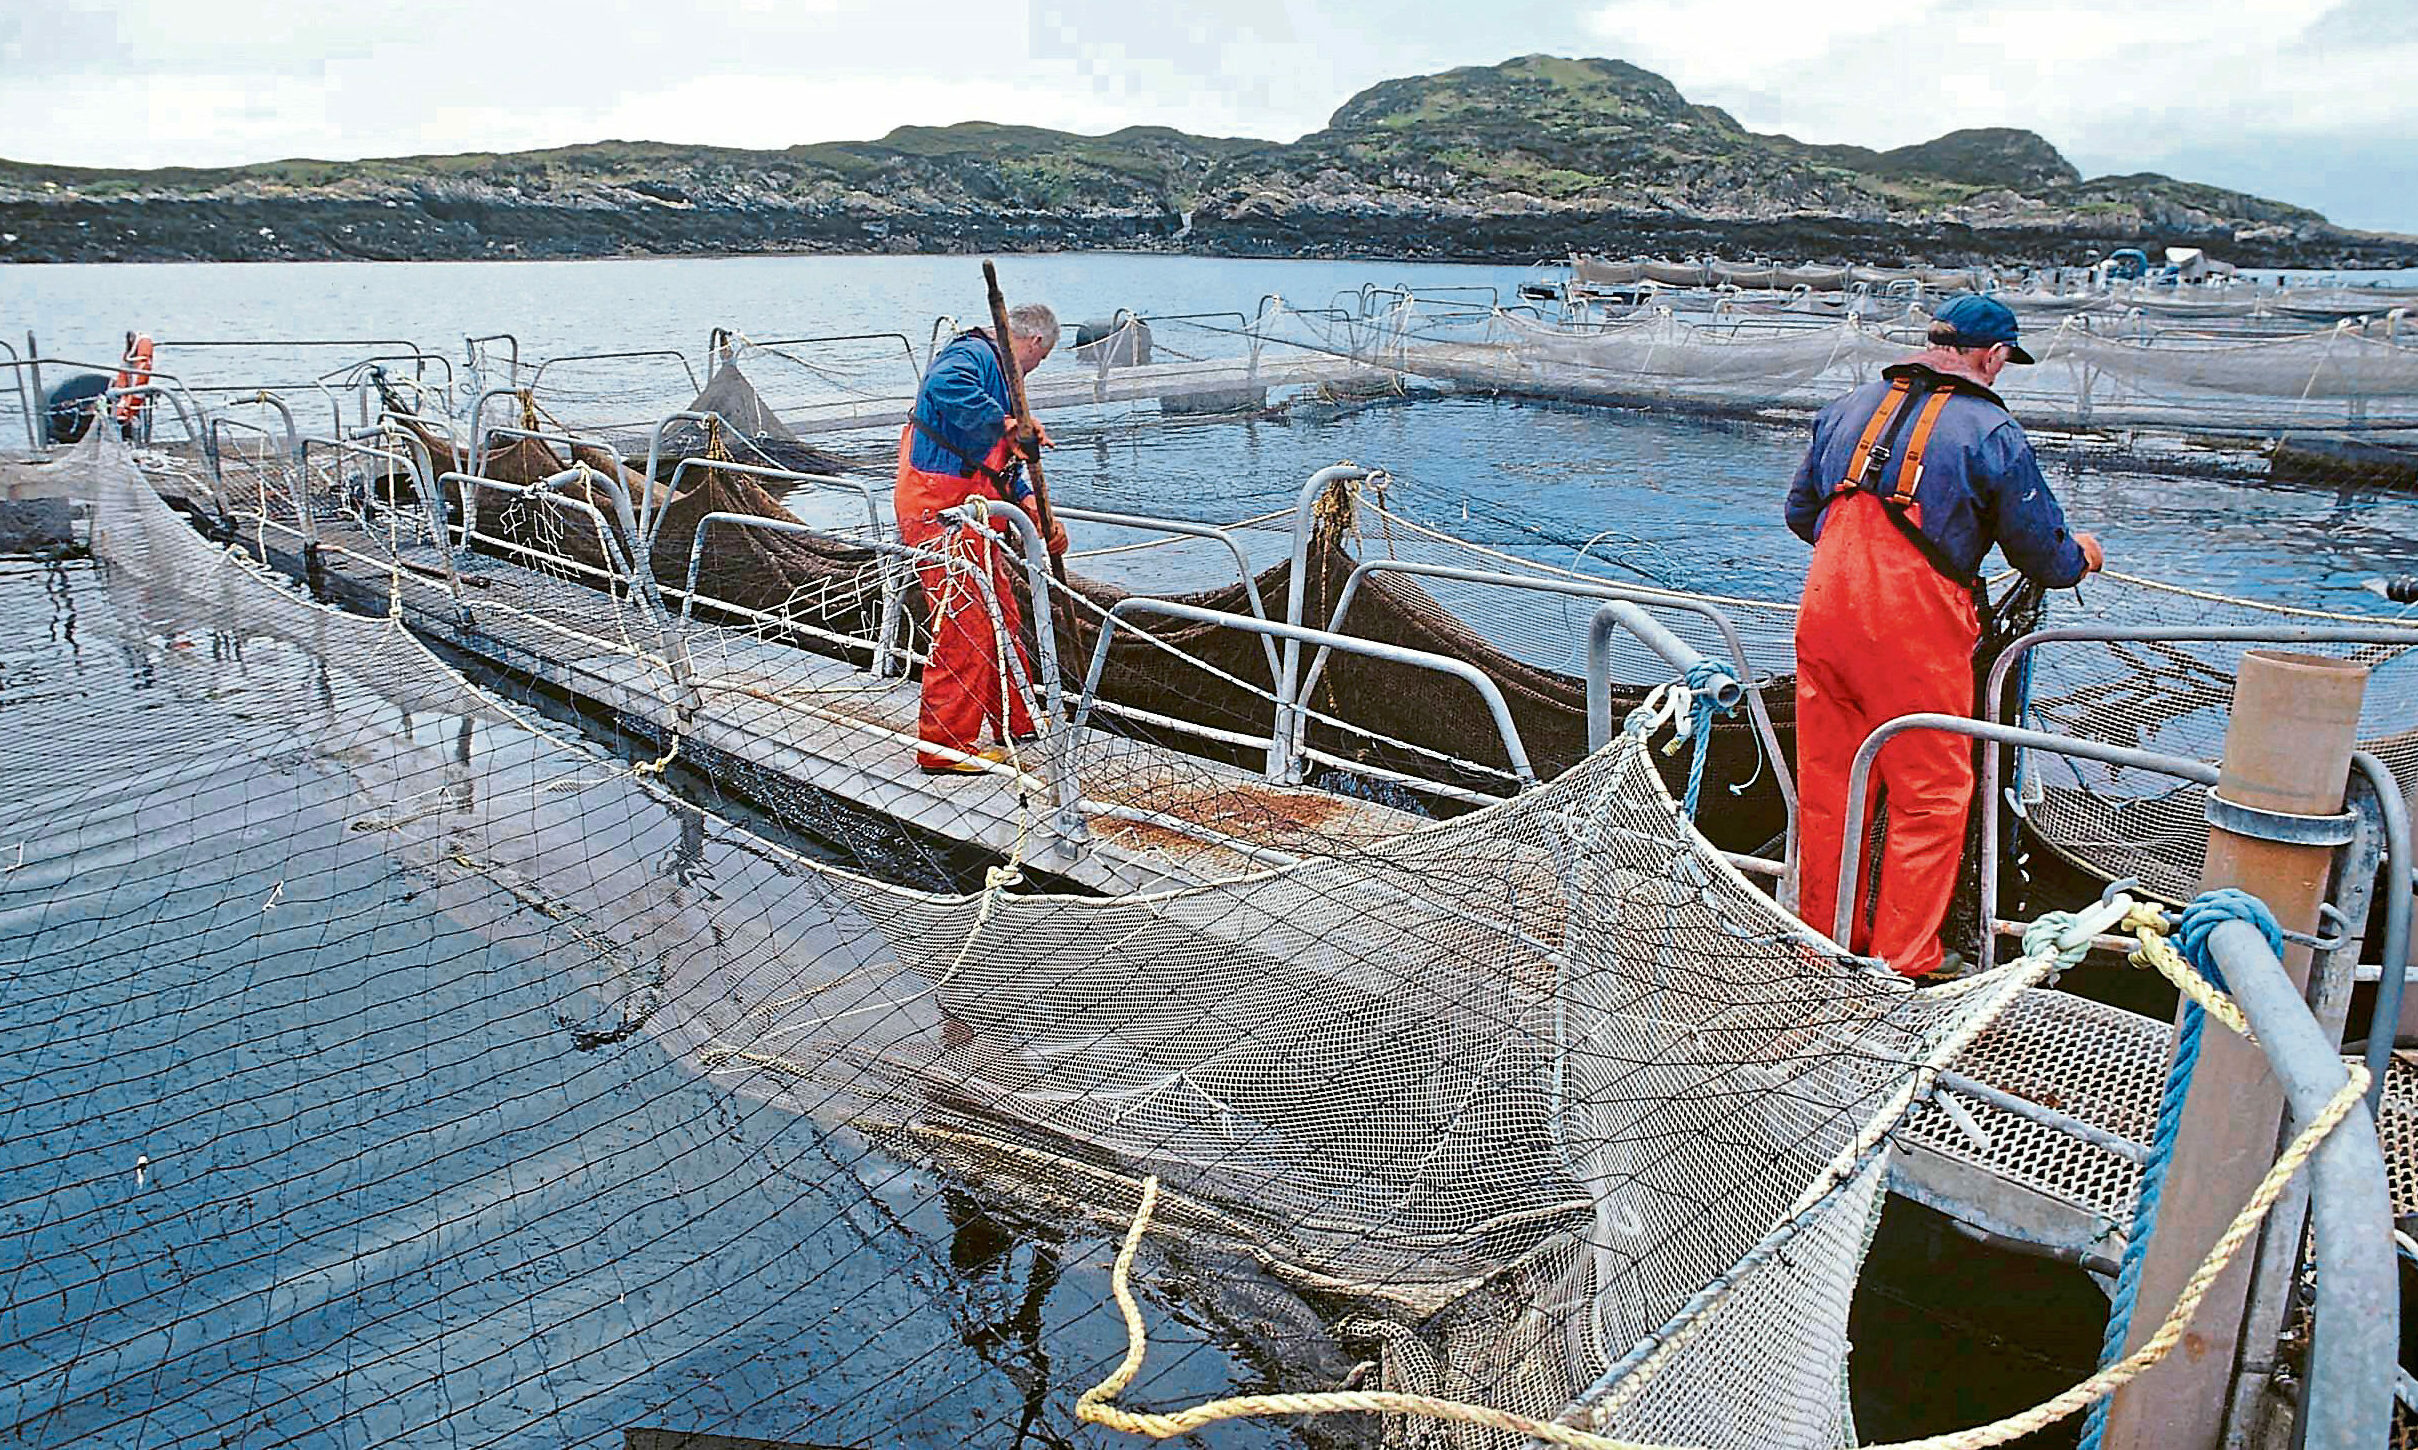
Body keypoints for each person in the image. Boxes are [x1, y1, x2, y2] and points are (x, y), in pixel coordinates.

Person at [1783, 293, 2105, 977]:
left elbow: (1799, 513)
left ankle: (1825, 936)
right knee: (1930, 792)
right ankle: (1906, 959)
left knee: (1831, 785)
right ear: (1991, 356)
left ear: (1931, 343)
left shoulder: (1845, 408)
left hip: (1824, 615)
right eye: (2005, 362)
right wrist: (2083, 554)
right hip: (1911, 631)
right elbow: (2043, 558)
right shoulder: (1991, 432)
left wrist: (1860, 552)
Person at [894, 303, 1068, 774]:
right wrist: (1009, 424)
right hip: (940, 511)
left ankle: (1018, 720)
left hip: (978, 515)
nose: (1037, 367)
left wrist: (1035, 513)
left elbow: (1007, 464)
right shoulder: (973, 356)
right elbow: (943, 387)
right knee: (964, 625)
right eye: (1042, 358)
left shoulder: (1008, 381)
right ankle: (945, 746)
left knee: (1001, 616)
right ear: (1034, 343)